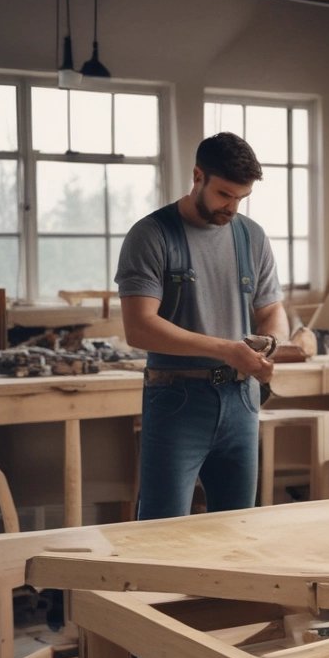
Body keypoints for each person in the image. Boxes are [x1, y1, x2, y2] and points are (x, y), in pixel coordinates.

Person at [116, 131, 288, 522]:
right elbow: (139, 328)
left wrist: (270, 343)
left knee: (237, 528)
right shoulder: (151, 235)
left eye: (241, 198)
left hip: (241, 401)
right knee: (163, 530)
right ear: (198, 176)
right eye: (224, 195)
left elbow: (273, 309)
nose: (232, 207)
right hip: (177, 400)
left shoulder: (252, 236)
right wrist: (226, 349)